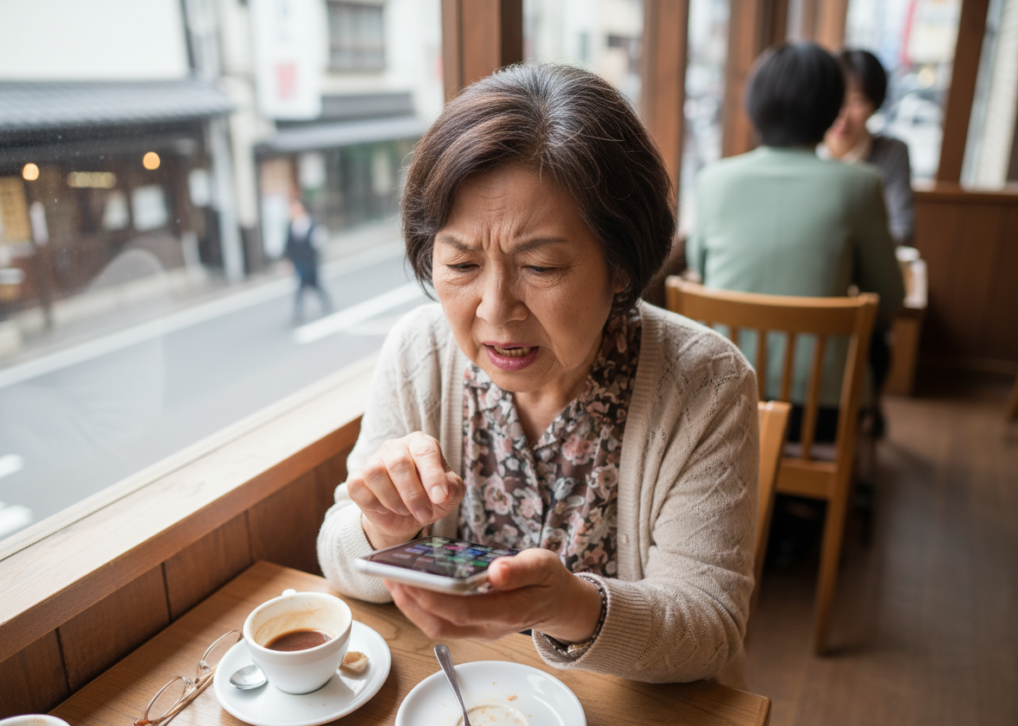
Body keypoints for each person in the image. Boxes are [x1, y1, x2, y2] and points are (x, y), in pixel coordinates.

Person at [317, 64, 759, 686]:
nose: (495, 311)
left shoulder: (705, 384)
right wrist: (381, 528)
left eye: (542, 267)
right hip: (462, 696)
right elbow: (335, 548)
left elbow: (710, 628)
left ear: (622, 268)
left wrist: (569, 606)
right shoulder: (421, 352)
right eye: (462, 263)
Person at [688, 42, 905, 441]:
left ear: (754, 104)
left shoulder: (712, 182)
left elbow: (701, 270)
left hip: (719, 397)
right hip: (821, 413)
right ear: (830, 107)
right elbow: (891, 298)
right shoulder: (859, 186)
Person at [822, 49, 915, 247]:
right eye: (837, 100)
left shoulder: (893, 152)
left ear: (874, 104)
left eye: (857, 101)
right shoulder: (802, 149)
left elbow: (902, 229)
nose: (843, 115)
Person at [283, 199, 333, 323]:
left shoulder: (312, 222)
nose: (293, 211)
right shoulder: (291, 225)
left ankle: (326, 301)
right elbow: (288, 245)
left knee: (315, 284)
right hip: (299, 262)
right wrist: (288, 260)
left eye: (296, 208)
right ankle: (297, 313)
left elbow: (318, 242)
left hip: (311, 261)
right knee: (300, 287)